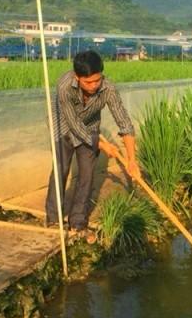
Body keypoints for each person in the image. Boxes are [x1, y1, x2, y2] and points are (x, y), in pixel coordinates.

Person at [44, 50, 140, 243]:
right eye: (88, 82)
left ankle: (78, 222)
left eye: (97, 80)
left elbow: (124, 123)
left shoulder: (108, 89)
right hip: (64, 127)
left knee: (87, 175)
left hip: (91, 127)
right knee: (61, 170)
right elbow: (73, 124)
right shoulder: (64, 87)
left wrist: (132, 160)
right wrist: (103, 145)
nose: (94, 86)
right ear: (77, 77)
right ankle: (54, 218)